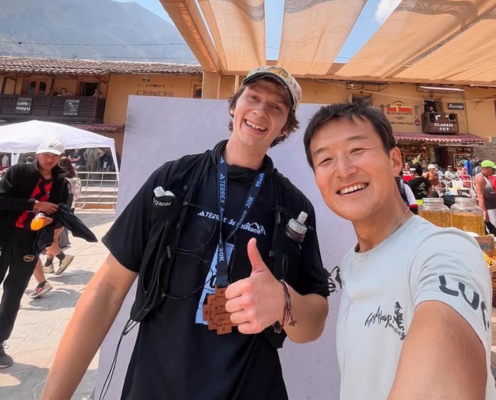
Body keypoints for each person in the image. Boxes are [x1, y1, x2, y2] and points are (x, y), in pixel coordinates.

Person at [40, 66, 329, 400]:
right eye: (253, 97)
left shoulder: (294, 207)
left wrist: (283, 301)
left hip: (250, 387)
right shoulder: (173, 180)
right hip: (155, 385)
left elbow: (314, 322)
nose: (261, 111)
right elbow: (107, 289)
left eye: (276, 106)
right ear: (234, 106)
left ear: (286, 126)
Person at [303, 101, 496, 400]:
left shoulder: (445, 249)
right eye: (325, 160)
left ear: (394, 160)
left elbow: (443, 374)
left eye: (357, 150)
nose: (343, 170)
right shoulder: (350, 264)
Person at [0, 139, 70, 368]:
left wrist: (52, 220)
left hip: (29, 242)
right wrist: (35, 204)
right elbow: (2, 199)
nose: (50, 159)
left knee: (14, 292)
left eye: (55, 155)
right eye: (46, 154)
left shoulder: (61, 182)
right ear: (38, 154)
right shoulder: (18, 172)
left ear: (60, 157)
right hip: (3, 235)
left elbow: (63, 212)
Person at [30, 158, 79, 299]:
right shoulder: (73, 179)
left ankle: (62, 258)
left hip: (55, 216)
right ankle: (49, 264)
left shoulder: (61, 182)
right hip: (65, 214)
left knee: (48, 242)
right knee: (51, 241)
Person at [474, 160, 496, 233]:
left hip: (493, 208)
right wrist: (484, 211)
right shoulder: (480, 178)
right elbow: (480, 196)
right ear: (486, 168)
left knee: (495, 228)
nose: (494, 171)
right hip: (488, 209)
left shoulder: (486, 177)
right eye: (493, 169)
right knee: (491, 231)